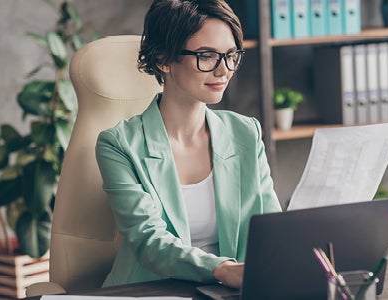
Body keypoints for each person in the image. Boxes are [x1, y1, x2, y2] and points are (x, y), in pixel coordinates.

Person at [95, 0, 282, 289]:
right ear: (162, 59)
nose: (224, 71)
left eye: (231, 55)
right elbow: (149, 241)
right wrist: (222, 269)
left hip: (229, 292)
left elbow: (271, 227)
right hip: (150, 291)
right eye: (207, 56)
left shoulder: (246, 132)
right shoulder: (119, 144)